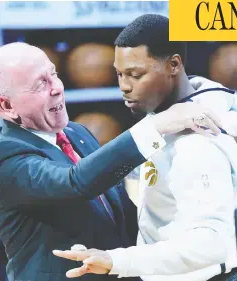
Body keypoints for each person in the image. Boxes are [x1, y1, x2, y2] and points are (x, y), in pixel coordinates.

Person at [0, 42, 221, 281]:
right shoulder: (5, 156)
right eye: (40, 84)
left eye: (53, 74)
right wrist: (156, 126)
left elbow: (122, 213)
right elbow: (75, 182)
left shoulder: (78, 133)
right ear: (7, 105)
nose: (56, 88)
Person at [53, 14, 237, 281]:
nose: (124, 86)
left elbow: (210, 245)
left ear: (174, 65)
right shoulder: (169, 114)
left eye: (135, 75)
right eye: (119, 74)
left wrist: (117, 260)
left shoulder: (198, 138)